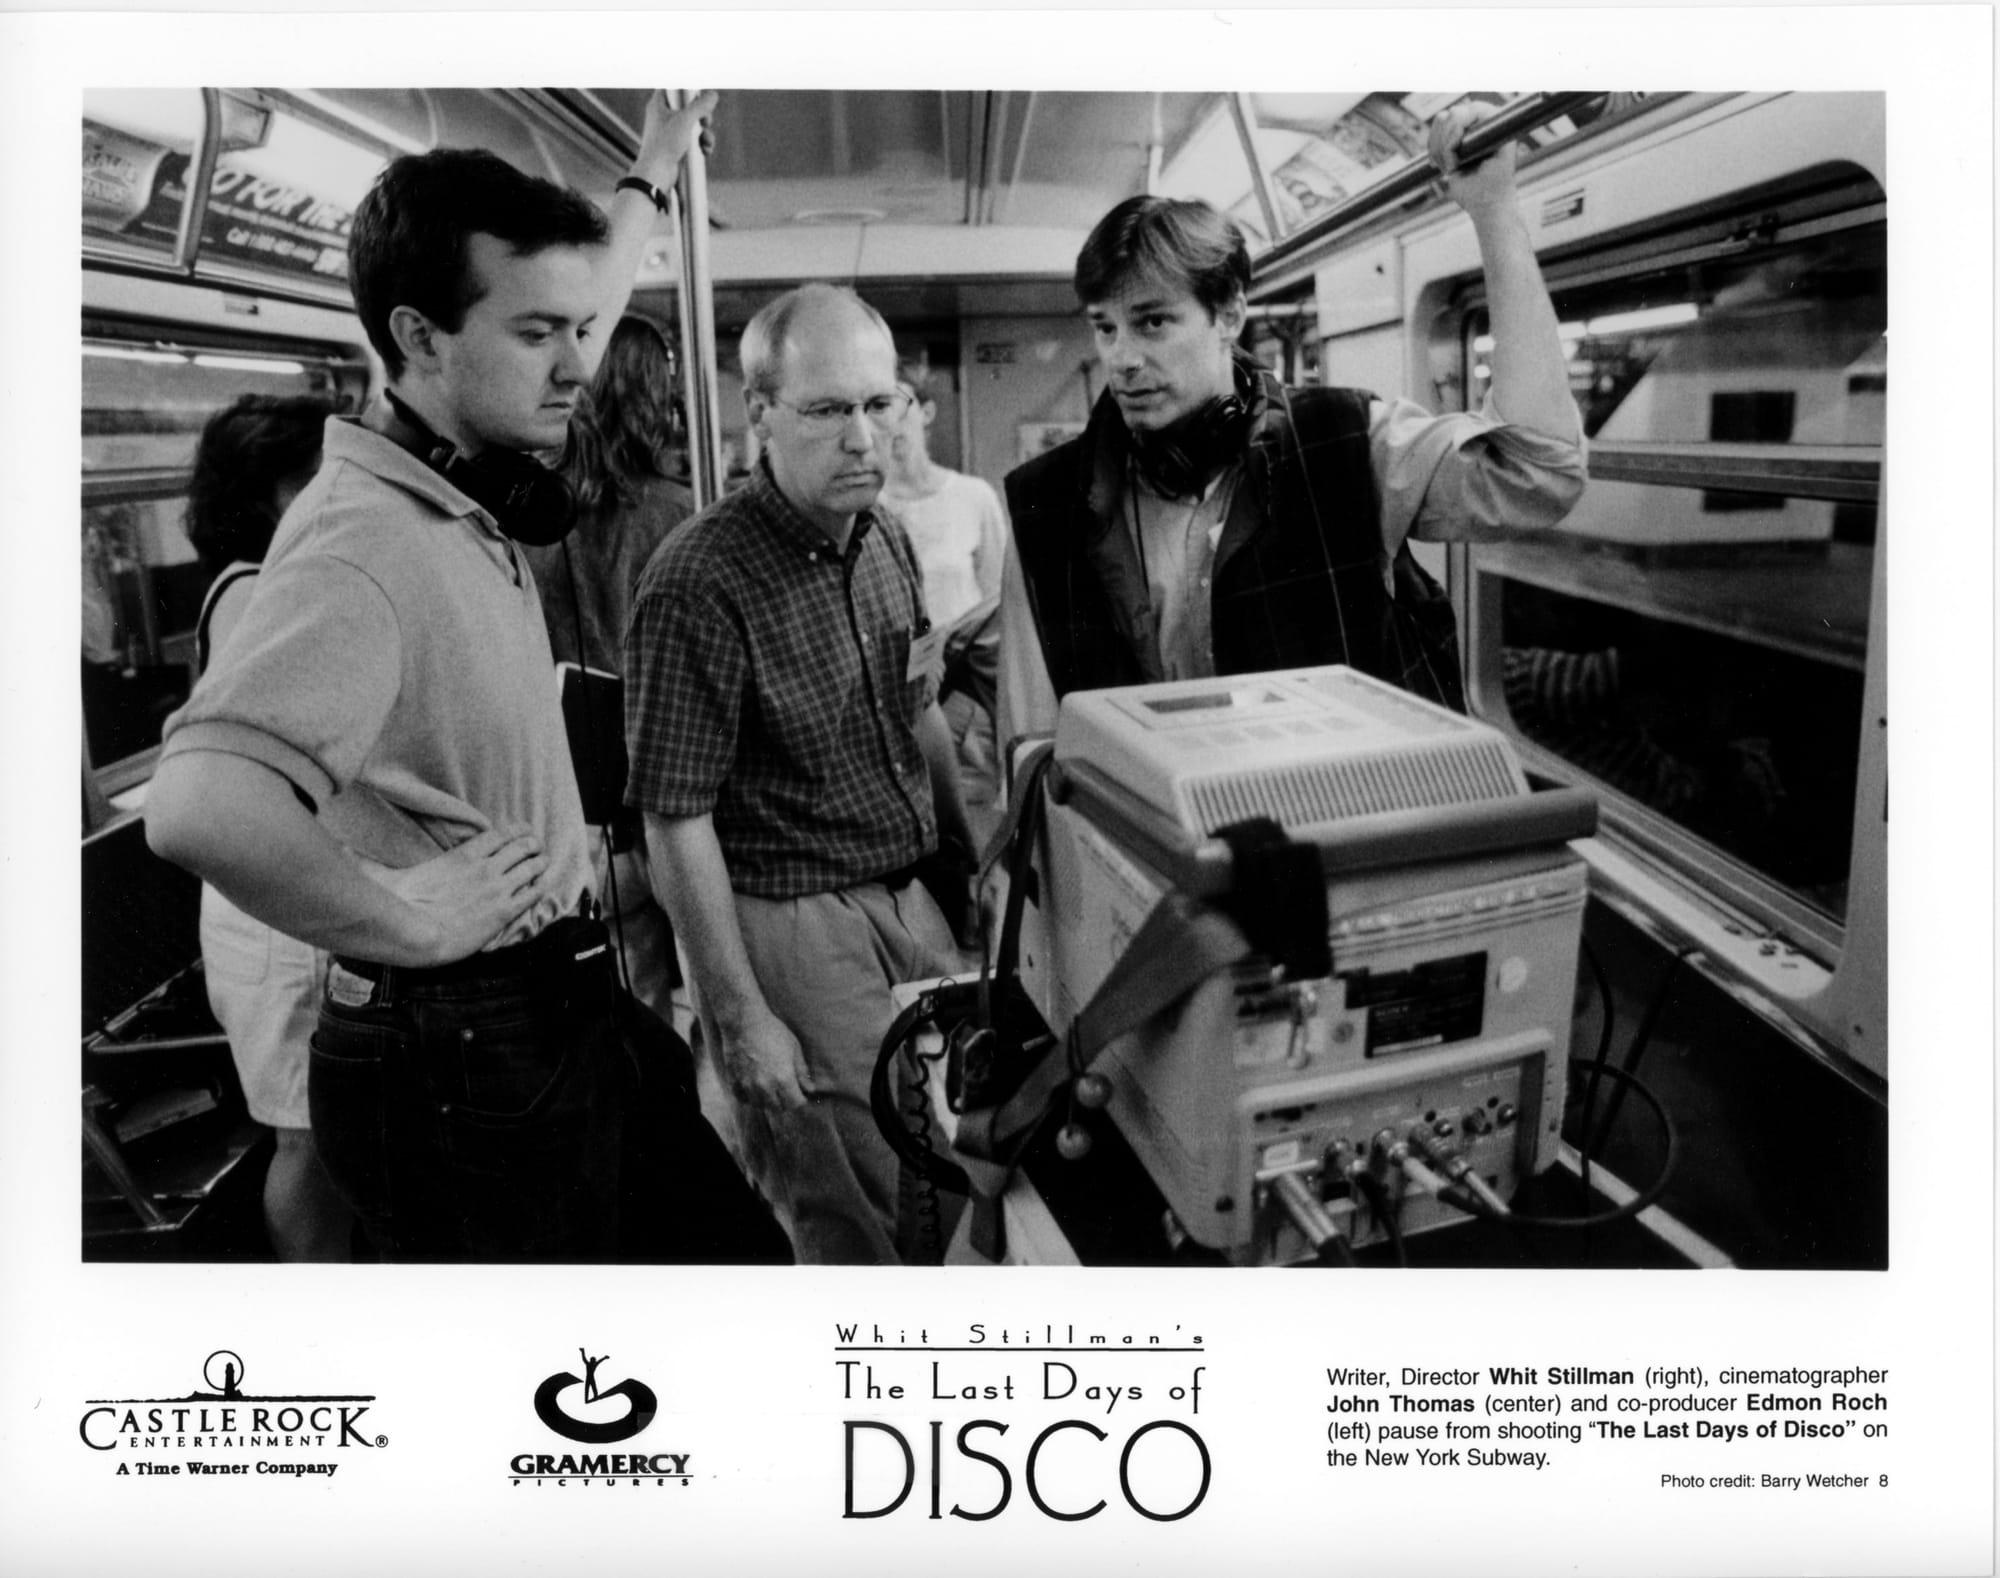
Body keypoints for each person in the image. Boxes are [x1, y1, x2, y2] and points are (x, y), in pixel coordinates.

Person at [145, 91, 721, 1263]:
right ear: (418, 338)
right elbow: (197, 806)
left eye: (579, 329)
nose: (579, 367)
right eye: (539, 336)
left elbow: (571, 307)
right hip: (468, 1040)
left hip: (545, 999)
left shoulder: (462, 475)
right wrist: (403, 920)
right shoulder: (363, 542)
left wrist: (650, 173)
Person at [997, 107, 1588, 752]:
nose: (1122, 358)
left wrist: (1494, 211)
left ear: (1228, 315)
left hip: (1346, 806)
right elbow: (1031, 743)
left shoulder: (1347, 442)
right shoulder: (1044, 504)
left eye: (1152, 322)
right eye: (1104, 327)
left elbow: (1538, 475)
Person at [623, 284, 976, 1265]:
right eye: (825, 410)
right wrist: (740, 1019)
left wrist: (974, 859)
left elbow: (918, 712)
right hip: (790, 919)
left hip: (908, 897)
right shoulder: (699, 580)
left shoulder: (884, 539)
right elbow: (674, 823)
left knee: (952, 1177)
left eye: (879, 403)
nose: (862, 438)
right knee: (852, 1208)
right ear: (761, 414)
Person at [182, 392, 351, 1262]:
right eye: (316, 479)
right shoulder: (252, 594)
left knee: (327, 1129)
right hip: (273, 917)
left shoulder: (273, 585)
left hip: (287, 893)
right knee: (305, 1134)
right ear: (269, 495)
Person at [520, 316, 695, 1029]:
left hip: (561, 801)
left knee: (618, 998)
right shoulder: (680, 514)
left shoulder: (528, 514)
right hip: (666, 798)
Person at [879, 357, 1009, 849]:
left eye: (898, 405)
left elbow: (999, 599)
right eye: (876, 409)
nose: (891, 424)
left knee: (972, 824)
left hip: (966, 694)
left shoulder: (973, 497)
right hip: (899, 695)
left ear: (926, 411)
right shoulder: (870, 512)